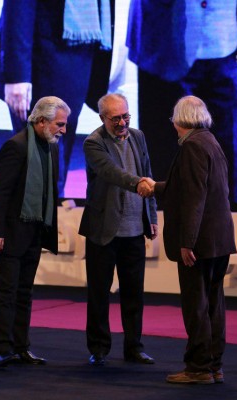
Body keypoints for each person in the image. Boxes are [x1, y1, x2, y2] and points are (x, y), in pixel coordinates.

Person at [139, 96, 237, 384]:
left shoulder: (192, 146)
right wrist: (156, 187)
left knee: (197, 307)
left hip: (200, 243)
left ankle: (198, 368)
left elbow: (195, 198)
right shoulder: (210, 142)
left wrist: (187, 242)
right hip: (219, 239)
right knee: (213, 305)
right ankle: (213, 366)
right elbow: (192, 187)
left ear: (179, 120)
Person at [127, 0, 237, 202]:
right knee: (164, 151)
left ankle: (225, 217)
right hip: (164, 43)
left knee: (223, 150)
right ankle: (163, 218)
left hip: (223, 44)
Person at [0, 0, 114, 196]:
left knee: (56, 169)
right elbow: (18, 7)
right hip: (42, 58)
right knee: (38, 171)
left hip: (77, 57)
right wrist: (17, 74)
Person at [0, 96, 69, 368]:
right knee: (6, 293)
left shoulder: (51, 147)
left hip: (34, 232)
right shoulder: (16, 146)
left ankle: (22, 347)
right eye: (59, 124)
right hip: (9, 234)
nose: (64, 130)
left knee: (24, 293)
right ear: (41, 121)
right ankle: (3, 349)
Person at [78, 93, 158, 366]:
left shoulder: (138, 136)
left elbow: (148, 172)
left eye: (126, 116)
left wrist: (152, 215)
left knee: (134, 293)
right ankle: (99, 349)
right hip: (103, 230)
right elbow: (111, 172)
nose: (122, 123)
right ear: (102, 118)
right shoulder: (93, 142)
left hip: (134, 230)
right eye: (116, 119)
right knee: (99, 294)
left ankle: (134, 347)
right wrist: (138, 183)